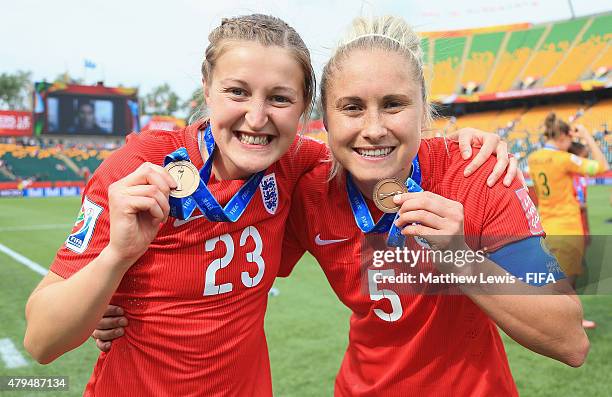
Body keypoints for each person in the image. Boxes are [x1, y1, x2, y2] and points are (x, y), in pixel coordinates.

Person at [94, 15, 589, 397]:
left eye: (394, 104)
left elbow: (570, 340)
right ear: (324, 120)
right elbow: (221, 258)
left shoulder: (476, 172)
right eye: (352, 107)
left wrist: (459, 256)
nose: (373, 128)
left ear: (424, 109)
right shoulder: (309, 190)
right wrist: (121, 299)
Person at [529, 116, 609, 329]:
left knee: (553, 275)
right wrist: (586, 136)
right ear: (563, 136)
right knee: (566, 280)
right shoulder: (564, 159)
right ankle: (566, 321)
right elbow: (602, 166)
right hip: (567, 225)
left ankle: (562, 318)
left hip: (545, 222)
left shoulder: (534, 158)